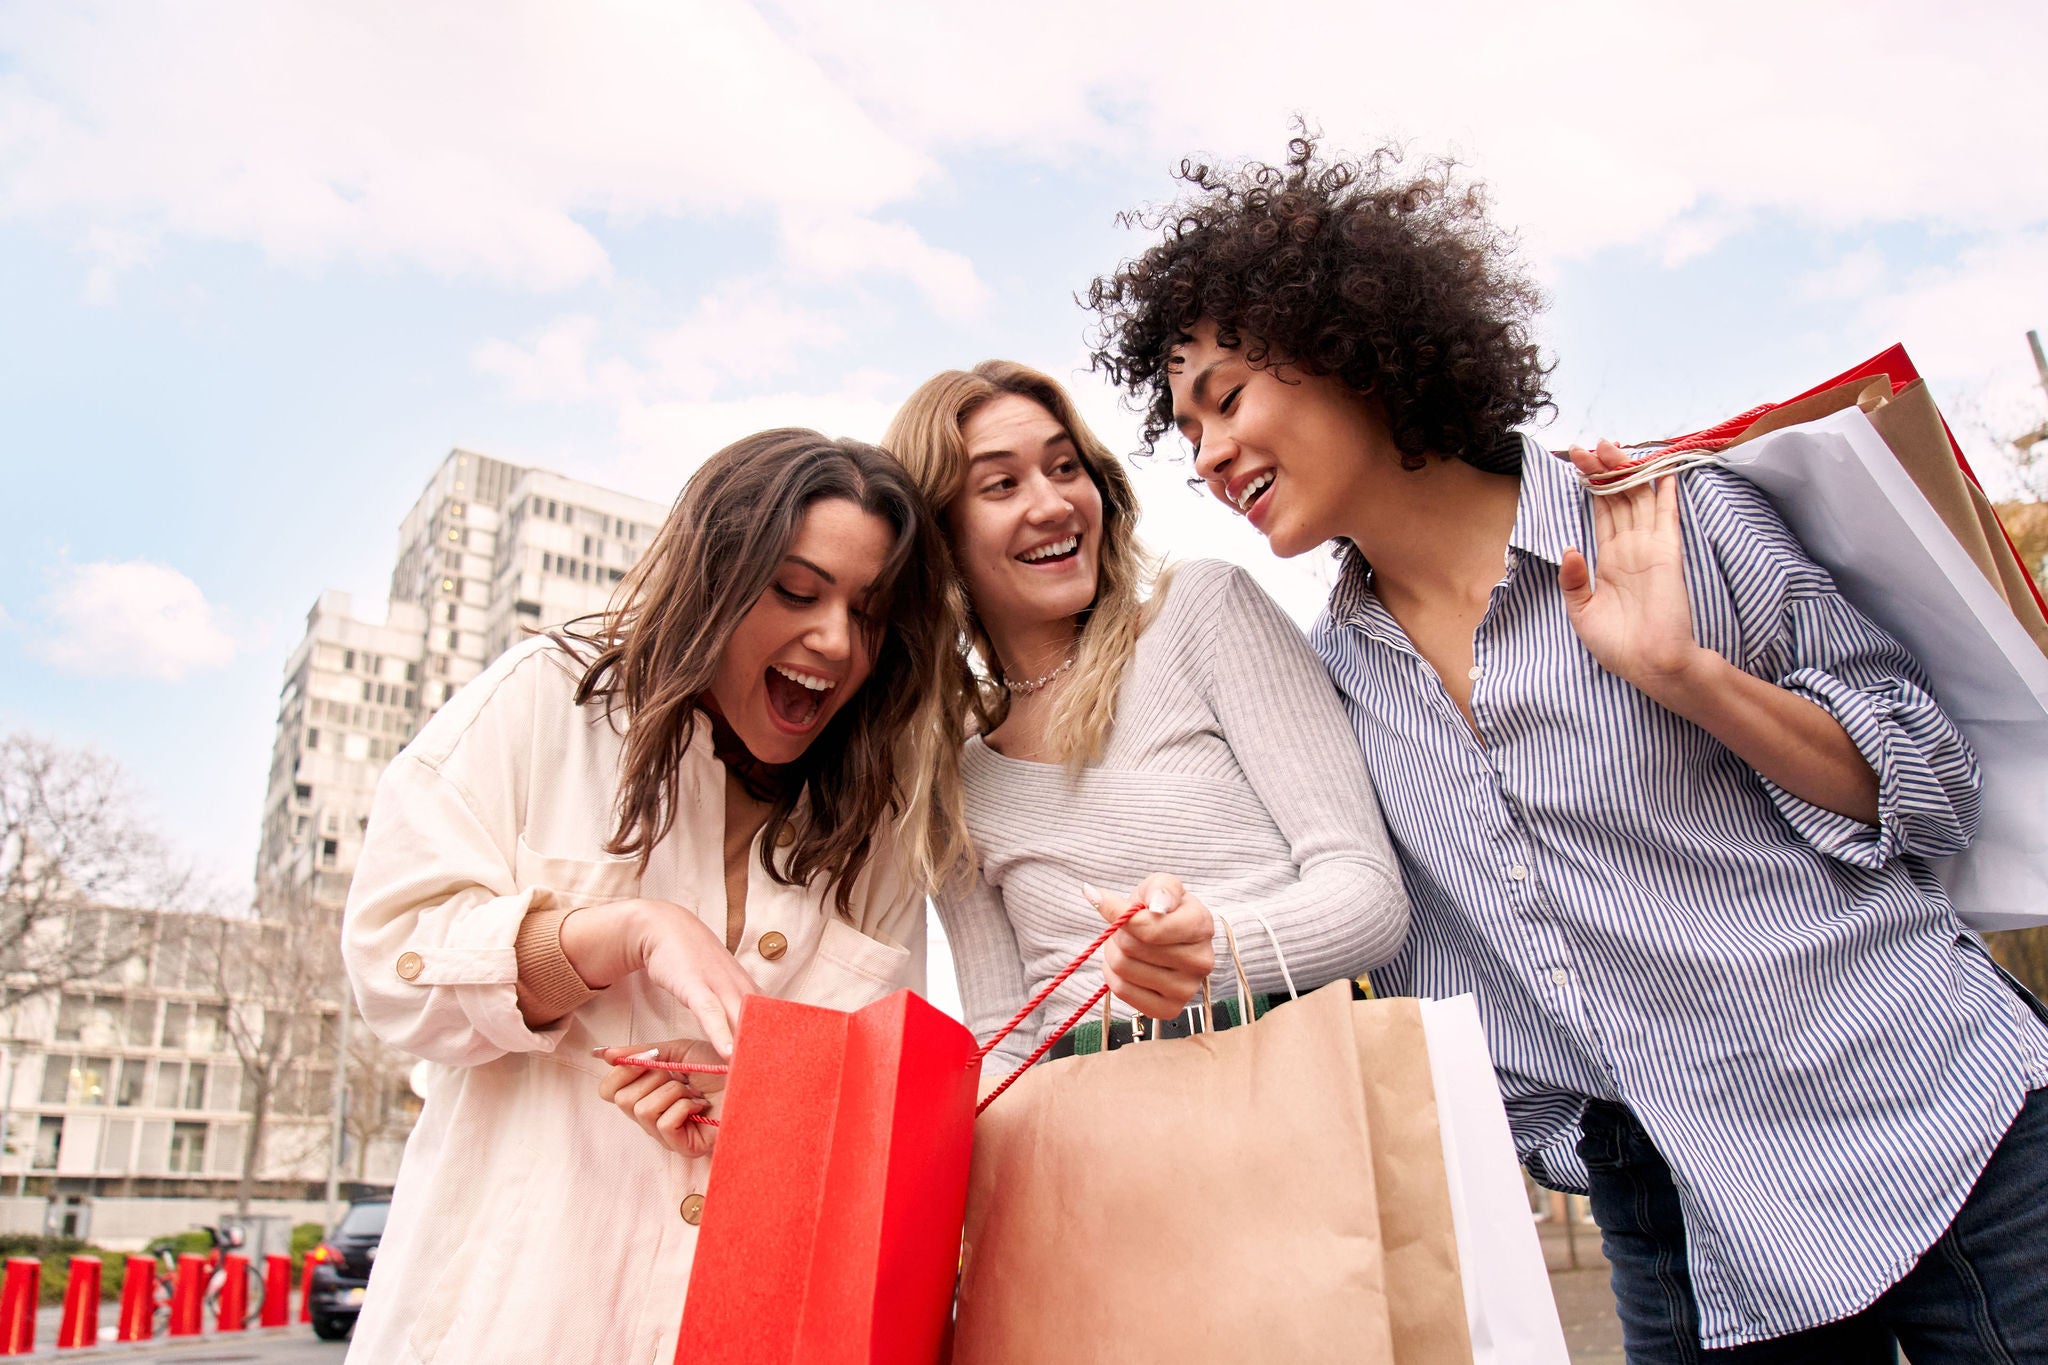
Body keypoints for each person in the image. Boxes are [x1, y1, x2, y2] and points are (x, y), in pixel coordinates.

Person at [1084, 136, 2048, 1361]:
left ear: (1352, 352)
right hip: (1676, 1212)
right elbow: (1346, 904)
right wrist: (1191, 934)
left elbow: (1927, 781)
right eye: (1186, 428)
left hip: (1923, 1108)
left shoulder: (1665, 518)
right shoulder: (1328, 683)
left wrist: (1688, 680)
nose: (1207, 454)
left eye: (1225, 398)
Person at [339, 429, 957, 1362]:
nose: (834, 639)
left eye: (868, 615)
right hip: (515, 1316)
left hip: (747, 1328)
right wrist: (622, 934)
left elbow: (866, 1108)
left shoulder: (875, 818)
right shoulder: (548, 701)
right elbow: (394, 964)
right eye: (796, 590)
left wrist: (751, 1099)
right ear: (714, 574)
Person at [881, 360, 1408, 1081]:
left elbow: (1368, 892)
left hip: (1306, 1099)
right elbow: (1005, 1038)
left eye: (1065, 468)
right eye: (1001, 484)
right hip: (1101, 1150)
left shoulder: (1202, 611)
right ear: (938, 538)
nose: (1053, 503)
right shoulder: (952, 782)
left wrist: (1210, 949)